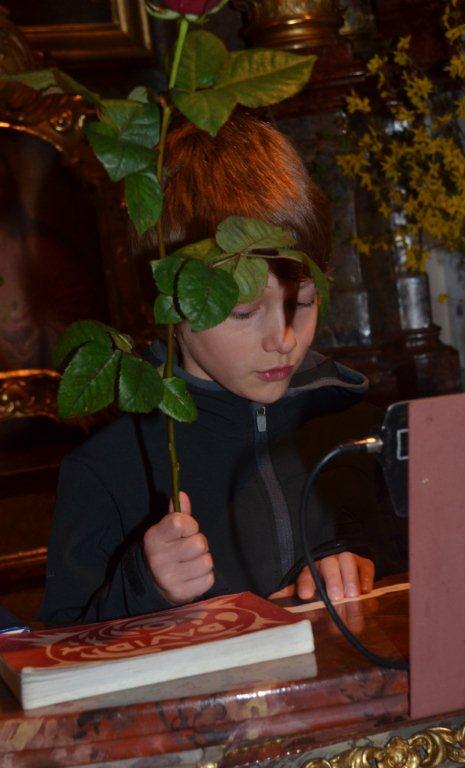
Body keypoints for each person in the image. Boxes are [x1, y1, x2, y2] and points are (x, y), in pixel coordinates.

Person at [39, 112, 405, 625]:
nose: (283, 339)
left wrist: (358, 558)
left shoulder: (354, 424)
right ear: (172, 307)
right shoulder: (110, 469)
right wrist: (145, 586)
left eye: (302, 302)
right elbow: (64, 648)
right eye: (244, 312)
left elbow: (422, 565)